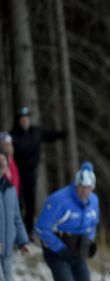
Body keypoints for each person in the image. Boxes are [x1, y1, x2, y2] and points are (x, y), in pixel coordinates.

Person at [35, 162, 99, 281]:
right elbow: (41, 228)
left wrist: (89, 241)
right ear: (75, 185)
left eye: (89, 188)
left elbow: (93, 223)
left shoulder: (94, 201)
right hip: (57, 252)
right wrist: (60, 248)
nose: (85, 191)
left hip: (77, 251)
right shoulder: (59, 200)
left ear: (93, 188)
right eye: (82, 187)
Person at [10, 106, 67, 238]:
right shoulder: (13, 135)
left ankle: (28, 232)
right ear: (19, 121)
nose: (25, 121)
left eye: (27, 119)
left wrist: (64, 133)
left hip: (31, 175)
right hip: (17, 175)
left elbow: (51, 135)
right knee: (18, 204)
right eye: (22, 119)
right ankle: (17, 233)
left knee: (31, 204)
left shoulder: (36, 132)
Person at [0, 148, 30, 281]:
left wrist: (23, 241)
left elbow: (17, 218)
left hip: (7, 250)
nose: (1, 162)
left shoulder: (10, 189)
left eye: (4, 160)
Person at [0, 132, 20, 197]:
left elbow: (15, 177)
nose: (8, 146)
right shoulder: (2, 158)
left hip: (13, 192)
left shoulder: (11, 159)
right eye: (6, 144)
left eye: (9, 144)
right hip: (4, 192)